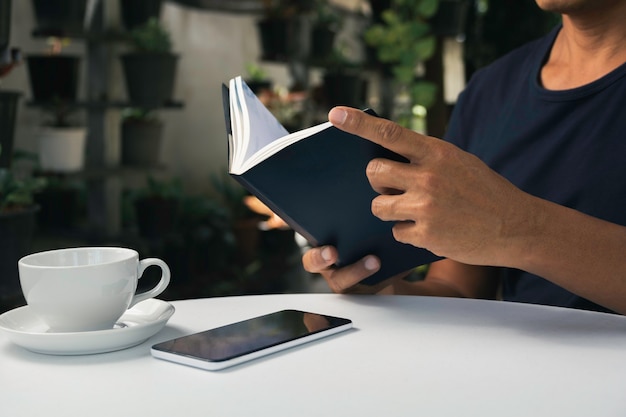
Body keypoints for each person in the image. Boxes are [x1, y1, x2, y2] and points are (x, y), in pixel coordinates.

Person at [302, 0, 626, 315]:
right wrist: (384, 291)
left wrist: (518, 227)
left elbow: (510, 228)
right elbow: (460, 291)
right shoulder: (492, 90)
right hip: (522, 367)